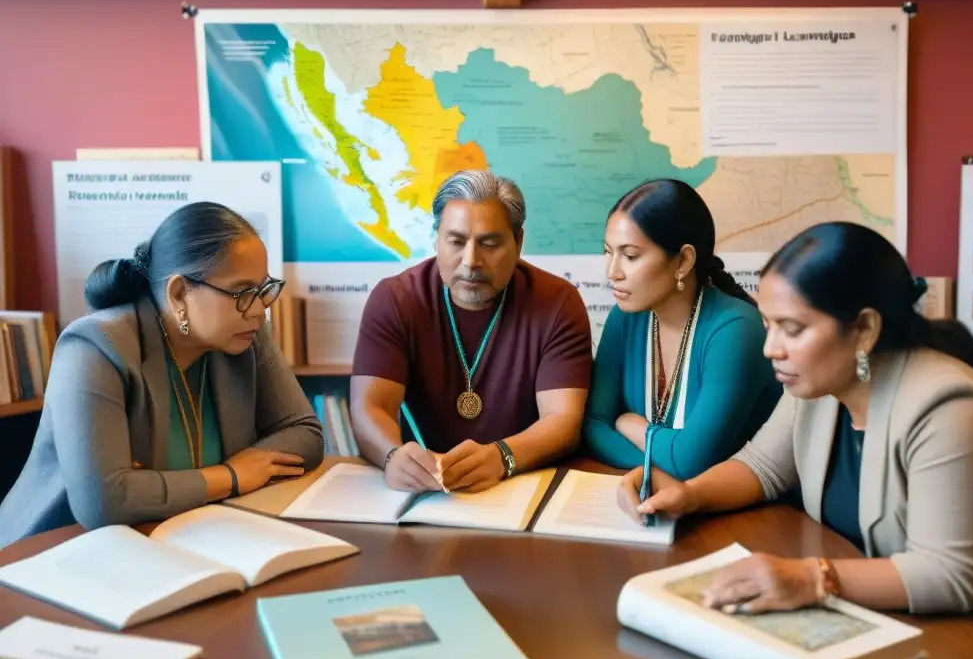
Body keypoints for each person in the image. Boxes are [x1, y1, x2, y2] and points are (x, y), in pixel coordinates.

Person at [619, 221, 973, 635]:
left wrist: (811, 579)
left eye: (792, 329)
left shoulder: (952, 409)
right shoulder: (824, 380)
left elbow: (947, 575)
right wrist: (688, 495)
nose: (770, 348)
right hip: (886, 621)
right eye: (768, 324)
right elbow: (764, 466)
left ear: (864, 329)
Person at [0, 202, 324, 548]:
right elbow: (104, 502)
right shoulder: (92, 346)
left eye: (262, 290)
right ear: (179, 293)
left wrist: (154, 486)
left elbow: (305, 434)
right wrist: (231, 476)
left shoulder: (244, 334)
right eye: (242, 293)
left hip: (184, 534)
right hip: (56, 553)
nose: (259, 310)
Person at [350, 169, 593, 494]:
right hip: (424, 488)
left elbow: (562, 420)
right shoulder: (395, 300)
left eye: (489, 244)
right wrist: (392, 456)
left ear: (518, 242)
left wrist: (503, 456)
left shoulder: (558, 302)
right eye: (456, 241)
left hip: (521, 483)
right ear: (437, 238)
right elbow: (370, 407)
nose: (471, 261)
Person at [583, 179, 781, 479]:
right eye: (608, 251)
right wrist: (663, 460)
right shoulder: (625, 317)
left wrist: (629, 424)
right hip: (658, 501)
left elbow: (691, 462)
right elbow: (593, 425)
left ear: (684, 260)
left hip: (750, 516)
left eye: (631, 256)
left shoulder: (736, 331)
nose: (612, 272)